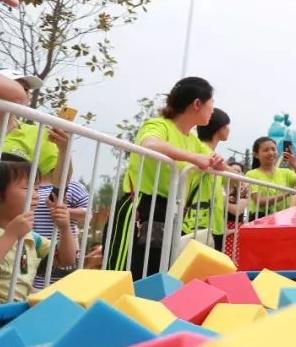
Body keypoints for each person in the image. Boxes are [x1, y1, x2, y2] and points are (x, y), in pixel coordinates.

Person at [107, 77, 224, 279]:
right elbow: (150, 144)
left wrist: (218, 162)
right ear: (197, 104)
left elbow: (216, 162)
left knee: (156, 278)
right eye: (211, 102)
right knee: (124, 276)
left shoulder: (194, 141)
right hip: (140, 207)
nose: (213, 109)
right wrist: (194, 158)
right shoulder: (158, 125)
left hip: (171, 214)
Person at [0, 153, 76, 304]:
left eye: (37, 189)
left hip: (15, 312)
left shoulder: (31, 238)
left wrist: (65, 228)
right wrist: (10, 236)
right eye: (27, 188)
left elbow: (66, 259)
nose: (36, 196)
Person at [0, 71, 68, 186]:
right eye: (16, 87)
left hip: (14, 204)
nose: (22, 94)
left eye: (26, 90)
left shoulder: (39, 134)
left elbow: (60, 182)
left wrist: (64, 149)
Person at [32, 173, 100, 288]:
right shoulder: (28, 185)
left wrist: (65, 211)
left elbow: (89, 212)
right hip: (35, 250)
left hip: (64, 249)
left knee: (64, 291)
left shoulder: (72, 186)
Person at [183, 108, 232, 251]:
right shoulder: (203, 152)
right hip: (197, 222)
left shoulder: (212, 155)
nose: (229, 129)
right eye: (227, 125)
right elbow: (233, 173)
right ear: (218, 128)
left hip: (213, 224)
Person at [246, 136, 296, 218]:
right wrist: (288, 193)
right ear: (256, 155)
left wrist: (295, 164)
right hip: (259, 220)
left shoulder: (286, 172)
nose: (271, 153)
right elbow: (259, 201)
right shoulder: (251, 174)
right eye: (266, 150)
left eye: (273, 149)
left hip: (282, 219)